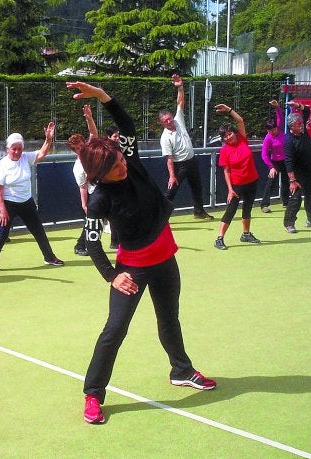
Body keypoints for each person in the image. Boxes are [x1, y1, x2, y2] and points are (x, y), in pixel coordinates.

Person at [66, 81, 216, 425]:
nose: (122, 165)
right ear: (99, 174)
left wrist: (102, 95)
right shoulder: (100, 199)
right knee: (114, 330)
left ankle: (181, 370)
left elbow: (126, 125)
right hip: (132, 270)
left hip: (165, 259)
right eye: (115, 166)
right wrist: (112, 275)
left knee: (169, 318)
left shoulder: (129, 160)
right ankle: (93, 394)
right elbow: (92, 242)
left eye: (121, 159)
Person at [0, 123, 64, 273]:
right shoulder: (1, 166)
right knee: (1, 234)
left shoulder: (26, 157)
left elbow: (42, 153)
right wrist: (2, 210)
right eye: (14, 149)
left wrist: (48, 139)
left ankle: (49, 257)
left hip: (27, 203)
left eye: (19, 148)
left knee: (39, 231)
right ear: (7, 149)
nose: (17, 151)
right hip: (8, 204)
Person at [159, 74, 214, 221]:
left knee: (197, 187)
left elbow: (180, 102)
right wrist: (172, 176)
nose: (169, 121)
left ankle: (199, 212)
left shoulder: (178, 120)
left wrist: (180, 87)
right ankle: (160, 217)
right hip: (179, 165)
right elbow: (169, 159)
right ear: (162, 123)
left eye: (169, 118)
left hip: (192, 161)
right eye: (165, 121)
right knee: (171, 191)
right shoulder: (165, 138)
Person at [213, 104, 261, 250]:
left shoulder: (242, 139)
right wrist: (230, 189)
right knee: (231, 210)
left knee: (247, 208)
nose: (229, 137)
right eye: (225, 136)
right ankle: (219, 239)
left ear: (234, 133)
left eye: (230, 134)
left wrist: (229, 110)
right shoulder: (225, 151)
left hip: (252, 181)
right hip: (236, 185)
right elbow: (226, 171)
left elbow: (240, 121)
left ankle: (246, 234)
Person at [283, 101, 311, 233]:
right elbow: (288, 161)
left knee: (310, 196)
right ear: (291, 126)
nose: (302, 125)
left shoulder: (304, 133)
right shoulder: (288, 140)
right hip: (297, 174)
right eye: (298, 124)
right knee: (296, 198)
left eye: (301, 123)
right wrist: (292, 180)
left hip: (310, 170)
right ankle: (289, 224)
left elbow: (307, 110)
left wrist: (297, 105)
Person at [71, 104, 98, 256]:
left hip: (105, 188)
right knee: (92, 220)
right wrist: (84, 205)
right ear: (74, 150)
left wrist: (89, 118)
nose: (80, 149)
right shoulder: (78, 167)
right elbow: (83, 187)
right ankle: (80, 246)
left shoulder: (90, 149)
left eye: (81, 145)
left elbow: (93, 133)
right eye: (77, 148)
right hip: (94, 194)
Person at [260, 100, 289, 213]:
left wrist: (277, 107)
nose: (273, 131)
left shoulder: (280, 130)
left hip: (285, 161)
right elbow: (264, 154)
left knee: (286, 181)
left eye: (274, 129)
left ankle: (286, 202)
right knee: (271, 182)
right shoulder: (268, 139)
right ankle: (264, 205)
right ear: (267, 130)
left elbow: (280, 118)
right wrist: (271, 167)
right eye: (270, 130)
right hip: (275, 162)